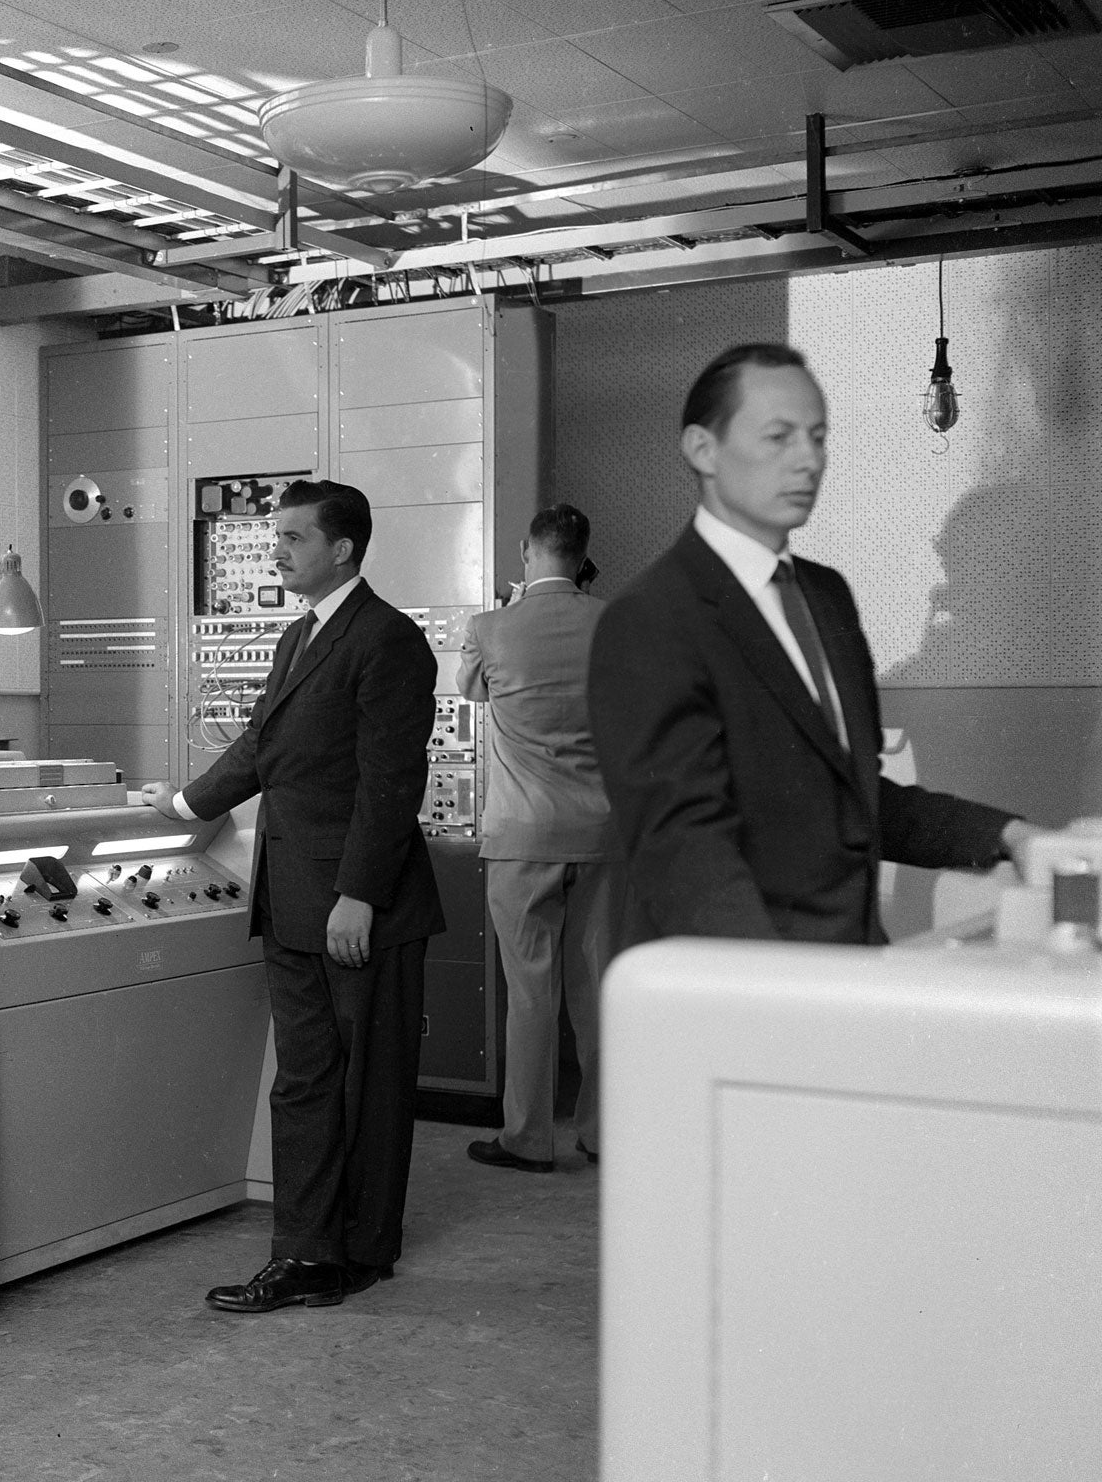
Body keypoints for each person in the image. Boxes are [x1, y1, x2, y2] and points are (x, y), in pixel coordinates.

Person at [587, 344, 1039, 946]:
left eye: (818, 437)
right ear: (703, 449)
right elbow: (685, 857)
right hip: (752, 998)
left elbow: (855, 797)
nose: (808, 461)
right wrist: (796, 1005)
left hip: (847, 974)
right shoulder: (651, 619)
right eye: (779, 437)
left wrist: (1008, 835)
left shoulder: (825, 597)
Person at [140, 480, 441, 1312]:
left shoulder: (388, 641)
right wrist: (183, 804)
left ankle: (361, 1251)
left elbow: (391, 781)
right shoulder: (299, 637)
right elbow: (262, 746)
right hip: (294, 897)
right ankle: (308, 1254)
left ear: (341, 548)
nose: (275, 550)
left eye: (292, 537)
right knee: (305, 1081)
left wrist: (359, 896)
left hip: (356, 907)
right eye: (274, 536)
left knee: (367, 1084)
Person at [458, 504, 617, 1173]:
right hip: (603, 831)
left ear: (527, 551)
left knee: (530, 994)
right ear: (582, 557)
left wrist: (515, 606)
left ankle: (528, 1139)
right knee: (598, 990)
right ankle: (603, 1131)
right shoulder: (615, 623)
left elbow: (468, 691)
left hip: (522, 833)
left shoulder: (492, 628)